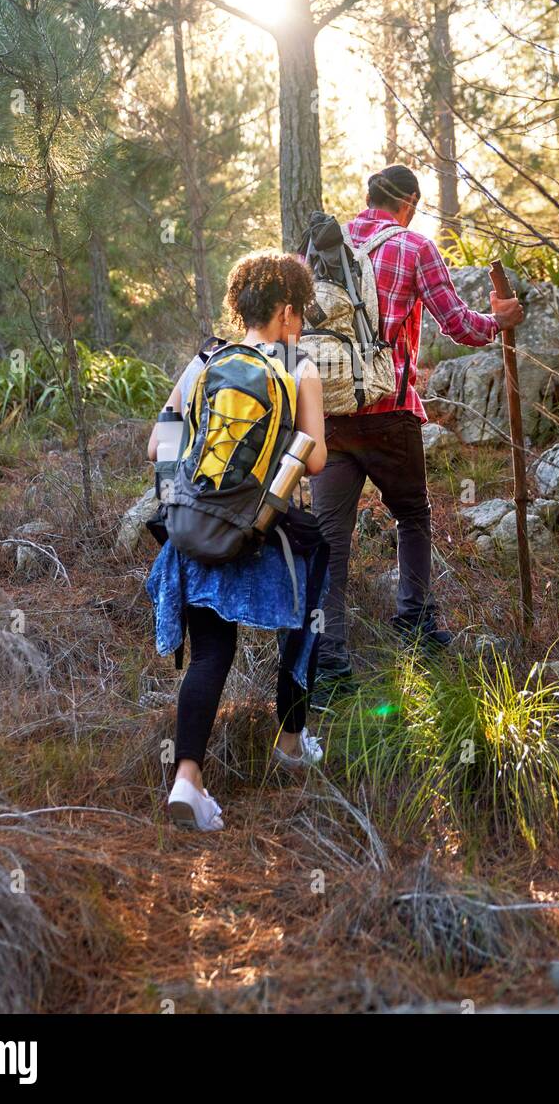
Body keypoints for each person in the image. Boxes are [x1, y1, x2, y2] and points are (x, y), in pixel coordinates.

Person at [309, 165, 524, 705]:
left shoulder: (314, 249)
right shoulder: (413, 247)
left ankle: (330, 660)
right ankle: (416, 624)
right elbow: (460, 325)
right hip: (389, 410)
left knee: (331, 540)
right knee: (412, 514)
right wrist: (501, 318)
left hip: (328, 416)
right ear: (407, 203)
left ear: (366, 199)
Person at [145, 252, 328, 832]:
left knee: (212, 654)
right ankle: (292, 741)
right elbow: (316, 458)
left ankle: (188, 780)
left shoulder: (204, 361)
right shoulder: (298, 368)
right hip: (264, 537)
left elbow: (158, 445)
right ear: (286, 312)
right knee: (303, 627)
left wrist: (187, 496)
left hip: (200, 532)